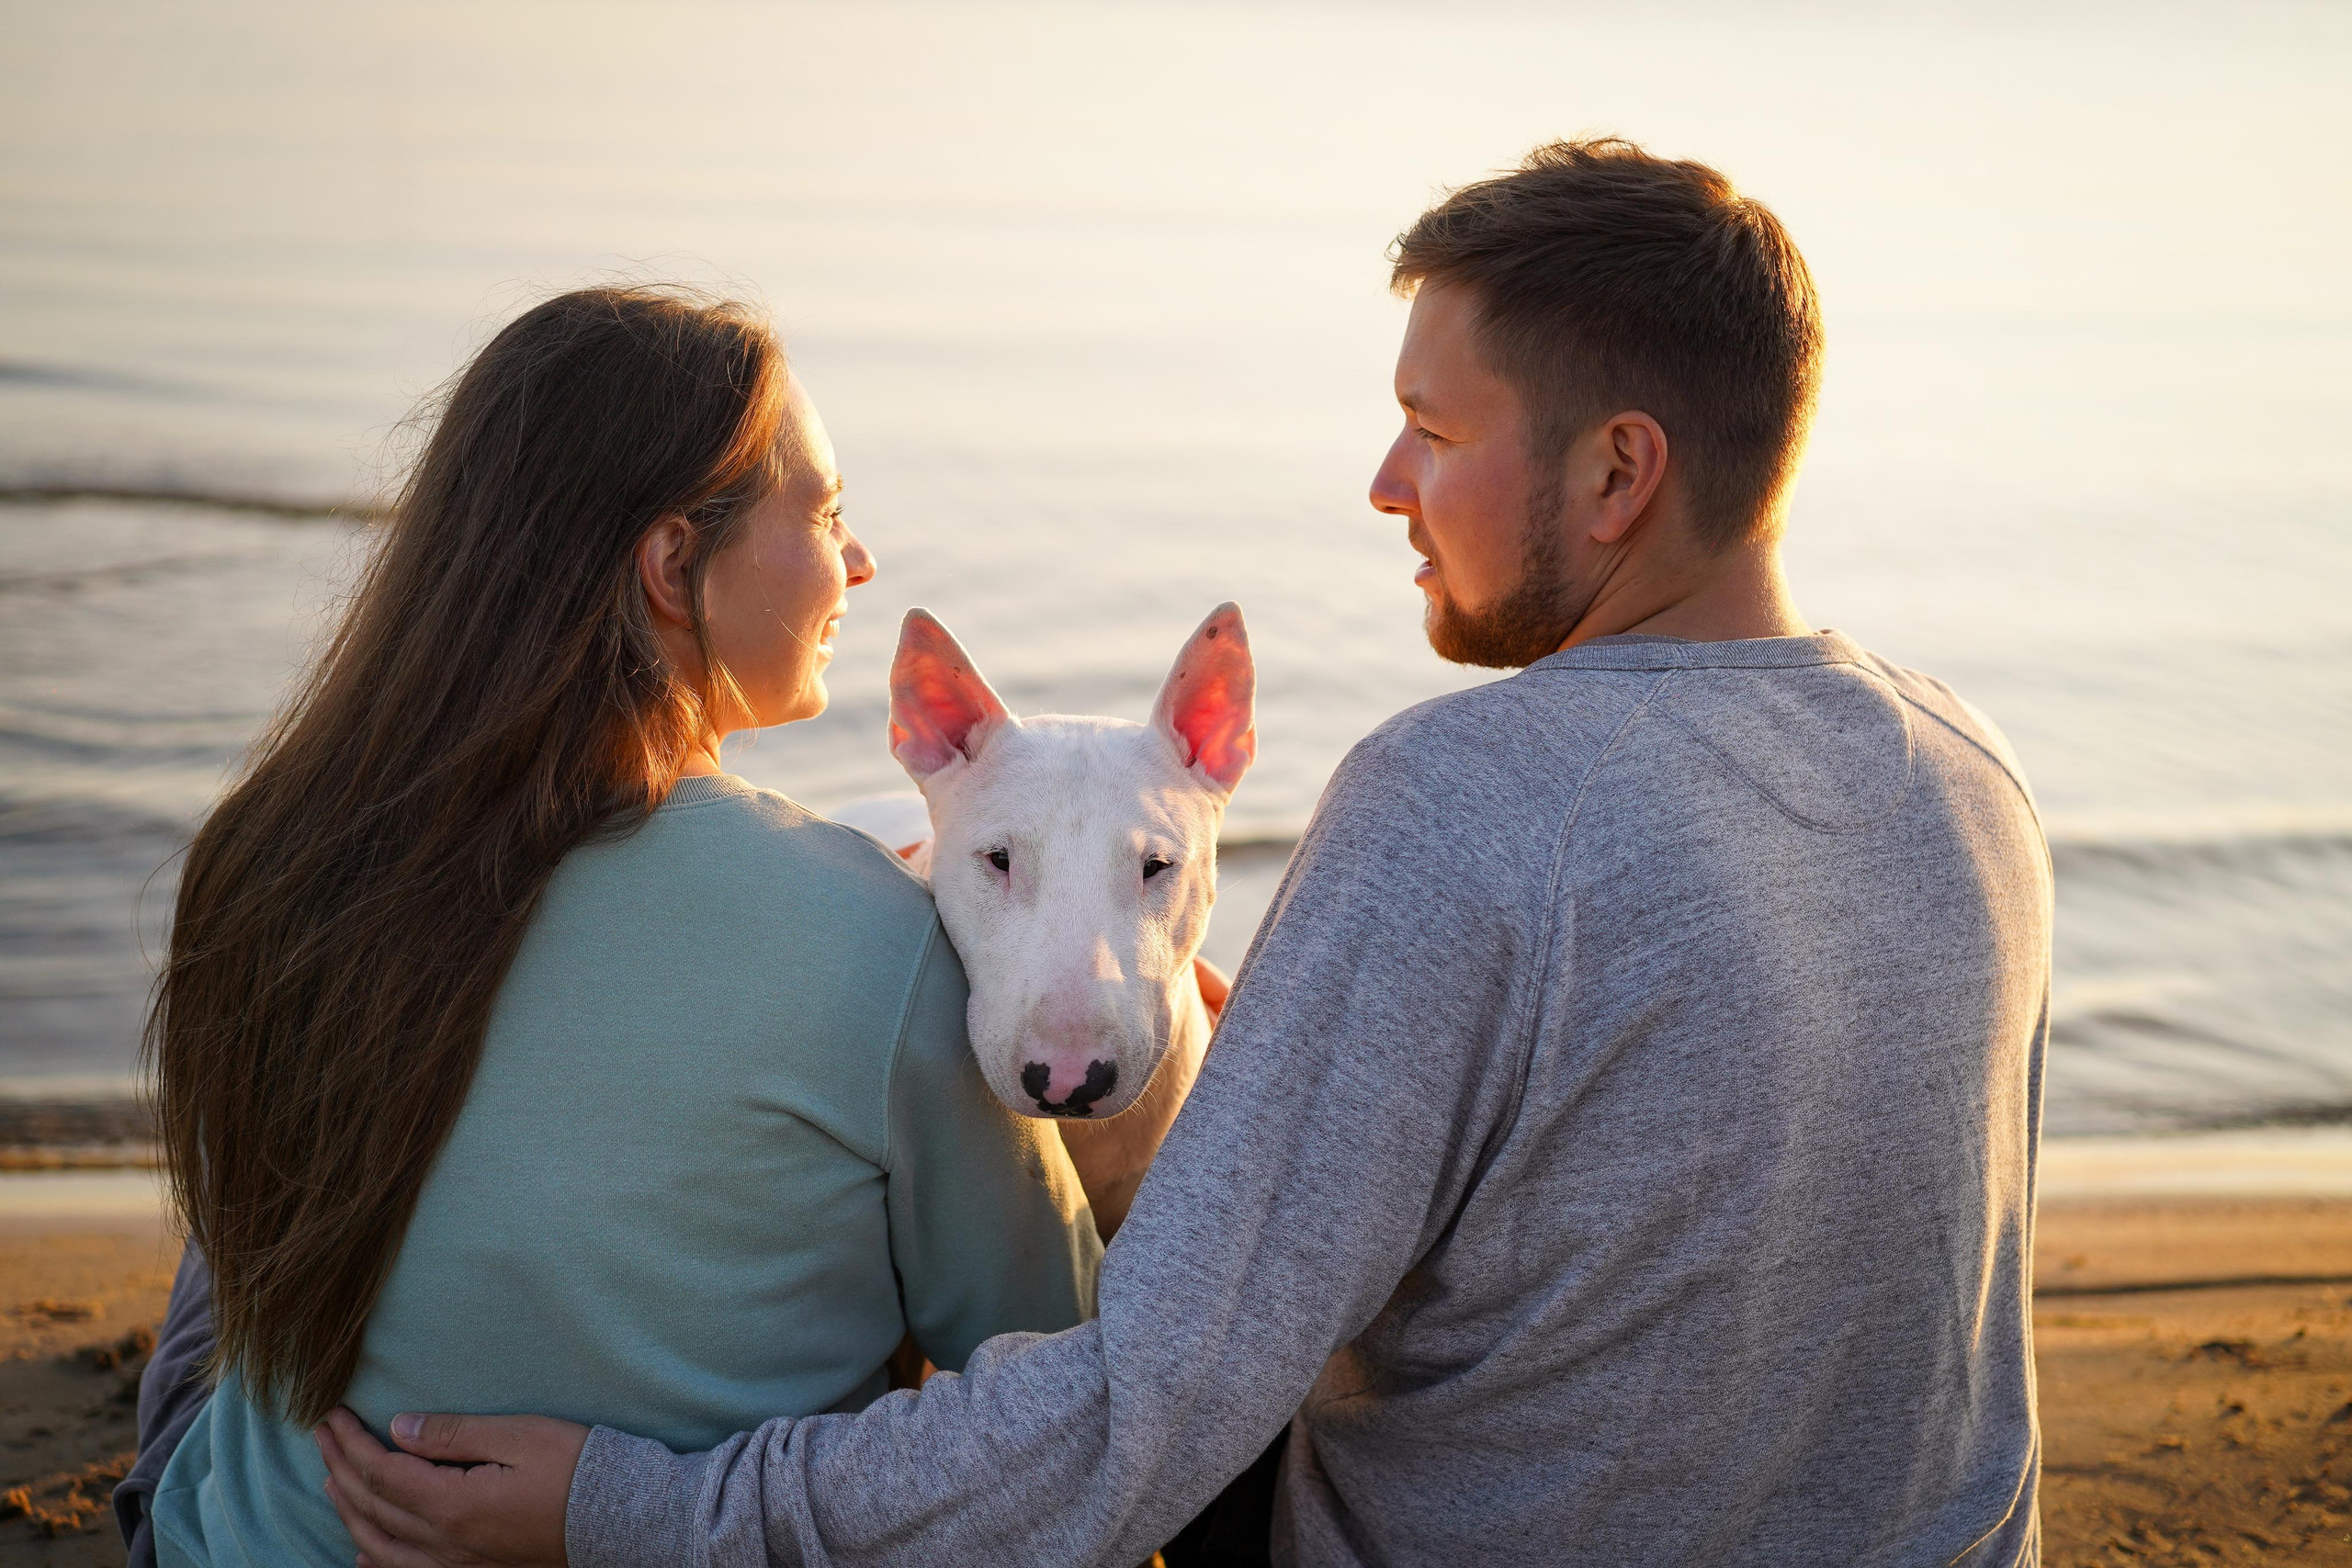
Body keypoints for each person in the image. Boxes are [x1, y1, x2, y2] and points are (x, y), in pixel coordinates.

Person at [318, 140, 2053, 1566]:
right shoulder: (1976, 778)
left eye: (1437, 431)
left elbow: (1128, 1422)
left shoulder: (1464, 805)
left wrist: (633, 1512)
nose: (1385, 480)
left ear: (1619, 474)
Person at [122, 286, 1102, 1568]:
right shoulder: (880, 937)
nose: (859, 562)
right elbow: (1056, 1386)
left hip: (238, 1539)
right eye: (825, 514)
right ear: (671, 564)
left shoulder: (265, 852)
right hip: (667, 1535)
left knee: (252, 1238)